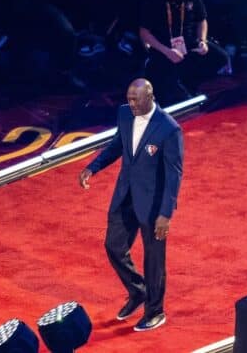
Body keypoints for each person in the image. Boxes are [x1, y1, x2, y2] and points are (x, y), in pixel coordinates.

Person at [78, 78, 183, 332]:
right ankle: (138, 291)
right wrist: (93, 167)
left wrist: (165, 214)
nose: (131, 103)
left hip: (153, 205)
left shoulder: (169, 128)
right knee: (113, 246)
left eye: (136, 99)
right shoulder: (124, 114)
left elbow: (173, 175)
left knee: (153, 261)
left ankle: (155, 311)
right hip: (125, 195)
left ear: (151, 97)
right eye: (129, 98)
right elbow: (117, 145)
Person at [139, 0, 229, 106]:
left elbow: (202, 20)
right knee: (167, 92)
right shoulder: (155, 0)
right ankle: (173, 86)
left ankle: (190, 82)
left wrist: (202, 41)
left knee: (220, 58)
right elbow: (144, 33)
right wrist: (167, 51)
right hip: (164, 47)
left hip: (188, 42)